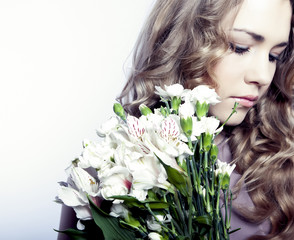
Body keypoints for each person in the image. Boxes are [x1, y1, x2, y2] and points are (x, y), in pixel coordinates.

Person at [58, 0, 294, 239]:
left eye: (275, 55)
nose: (263, 76)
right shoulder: (106, 172)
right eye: (240, 47)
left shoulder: (283, 164)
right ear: (185, 39)